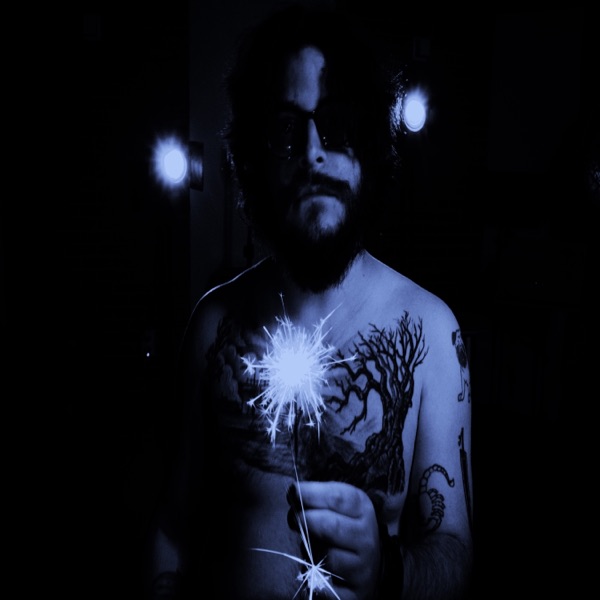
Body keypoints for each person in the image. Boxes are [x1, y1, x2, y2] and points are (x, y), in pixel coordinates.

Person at [144, 4, 474, 599]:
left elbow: (453, 551)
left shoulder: (431, 333)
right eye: (286, 130)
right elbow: (172, 524)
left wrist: (388, 568)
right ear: (255, 156)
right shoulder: (213, 325)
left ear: (369, 146)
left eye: (338, 124)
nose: (313, 153)